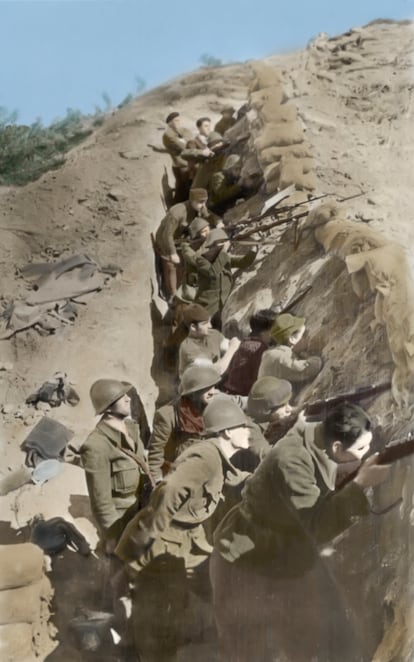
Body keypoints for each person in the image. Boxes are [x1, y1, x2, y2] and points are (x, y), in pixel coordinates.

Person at [210, 403, 391, 662]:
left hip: (288, 556)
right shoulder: (292, 459)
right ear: (337, 447)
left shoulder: (320, 436)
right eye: (360, 450)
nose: (363, 457)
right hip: (244, 560)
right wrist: (360, 484)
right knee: (246, 649)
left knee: (303, 641)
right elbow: (316, 525)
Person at [115, 397, 252, 662]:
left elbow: (234, 478)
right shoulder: (205, 458)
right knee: (158, 613)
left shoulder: (218, 457)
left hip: (188, 539)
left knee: (205, 591)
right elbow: (169, 491)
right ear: (227, 431)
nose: (249, 432)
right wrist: (148, 538)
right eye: (243, 426)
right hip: (161, 541)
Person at [81, 379, 154, 551]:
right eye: (121, 397)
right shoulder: (96, 446)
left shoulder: (132, 428)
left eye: (126, 394)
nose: (128, 399)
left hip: (142, 511)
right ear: (107, 408)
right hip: (121, 521)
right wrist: (113, 537)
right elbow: (101, 502)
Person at [148, 364, 221, 482]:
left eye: (213, 387)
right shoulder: (168, 415)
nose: (212, 392)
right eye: (205, 388)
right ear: (193, 392)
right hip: (179, 475)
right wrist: (157, 482)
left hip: (208, 471)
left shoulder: (216, 407)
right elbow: (155, 454)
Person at [155, 188, 220, 298]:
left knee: (183, 264)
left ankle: (180, 289)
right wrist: (172, 253)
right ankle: (172, 295)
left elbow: (208, 215)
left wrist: (218, 221)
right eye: (200, 202)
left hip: (181, 239)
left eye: (204, 202)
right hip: (165, 240)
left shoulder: (199, 207)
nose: (203, 205)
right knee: (171, 266)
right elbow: (167, 235)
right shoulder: (176, 213)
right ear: (192, 200)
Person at [181, 227, 257, 320]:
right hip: (207, 304)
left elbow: (243, 262)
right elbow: (212, 273)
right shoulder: (202, 260)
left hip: (221, 303)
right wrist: (223, 253)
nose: (224, 244)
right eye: (221, 242)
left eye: (225, 241)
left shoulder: (223, 257)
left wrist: (253, 250)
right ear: (213, 245)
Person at [258, 313, 322, 388]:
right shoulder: (280, 358)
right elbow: (313, 367)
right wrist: (309, 356)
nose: (308, 338)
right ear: (292, 339)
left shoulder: (273, 353)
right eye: (304, 335)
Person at [222, 309, 277, 396]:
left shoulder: (245, 341)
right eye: (274, 330)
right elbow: (258, 376)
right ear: (264, 333)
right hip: (243, 393)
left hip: (229, 389)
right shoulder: (260, 349)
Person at [178, 303, 240, 377]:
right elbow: (215, 371)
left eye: (209, 322)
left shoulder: (213, 334)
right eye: (205, 323)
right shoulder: (188, 347)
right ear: (193, 327)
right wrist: (232, 349)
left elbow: (228, 346)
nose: (210, 326)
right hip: (197, 386)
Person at [246, 375, 298, 444]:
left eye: (288, 403)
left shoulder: (273, 419)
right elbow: (267, 453)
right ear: (266, 411)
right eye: (282, 406)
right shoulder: (252, 431)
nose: (289, 409)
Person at [162, 111, 193, 203]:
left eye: (179, 120)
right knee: (182, 188)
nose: (178, 122)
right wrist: (183, 141)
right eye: (176, 121)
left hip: (189, 163)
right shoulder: (167, 135)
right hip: (180, 165)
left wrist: (183, 141)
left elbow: (190, 141)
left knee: (188, 186)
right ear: (170, 123)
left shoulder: (184, 130)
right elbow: (183, 146)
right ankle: (176, 205)